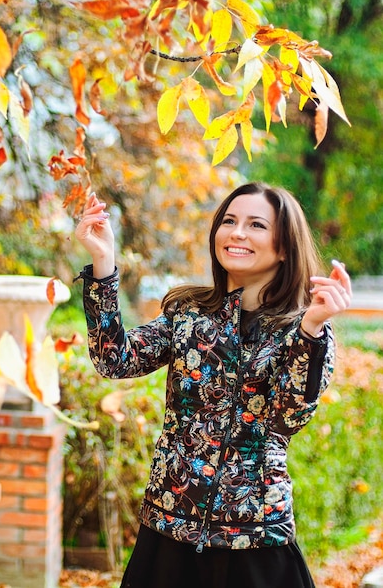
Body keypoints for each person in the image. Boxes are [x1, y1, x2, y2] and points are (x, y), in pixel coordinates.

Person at [74, 182, 352, 588]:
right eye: (229, 221)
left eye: (256, 224)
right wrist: (103, 263)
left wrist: (311, 329)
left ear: (284, 247)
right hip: (169, 533)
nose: (237, 232)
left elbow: (286, 418)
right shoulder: (189, 315)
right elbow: (114, 359)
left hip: (255, 539)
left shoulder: (302, 331)